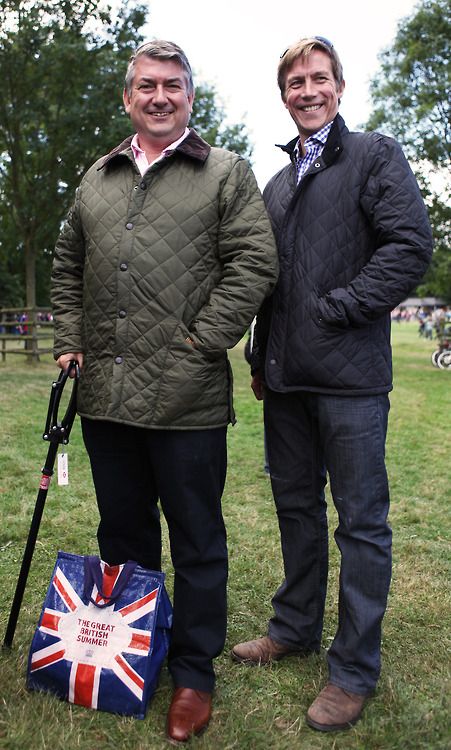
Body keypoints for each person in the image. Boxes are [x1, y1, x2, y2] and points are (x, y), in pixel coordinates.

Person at [51, 39, 278, 743]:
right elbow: (67, 264)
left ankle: (193, 675)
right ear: (128, 98)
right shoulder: (97, 177)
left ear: (189, 97)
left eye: (172, 86)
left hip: (187, 401)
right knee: (123, 536)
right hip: (107, 400)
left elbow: (254, 261)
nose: (158, 96)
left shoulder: (225, 173)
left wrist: (199, 342)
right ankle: (130, 653)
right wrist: (68, 339)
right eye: (146, 85)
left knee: (198, 541)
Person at [232, 36, 432, 732]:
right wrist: (259, 359)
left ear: (338, 87)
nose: (307, 90)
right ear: (283, 94)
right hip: (284, 386)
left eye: (318, 78)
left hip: (349, 384)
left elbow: (409, 246)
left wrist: (337, 309)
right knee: (294, 509)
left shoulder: (374, 155)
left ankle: (351, 670)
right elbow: (264, 281)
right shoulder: (277, 184)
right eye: (294, 81)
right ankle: (292, 628)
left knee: (361, 526)